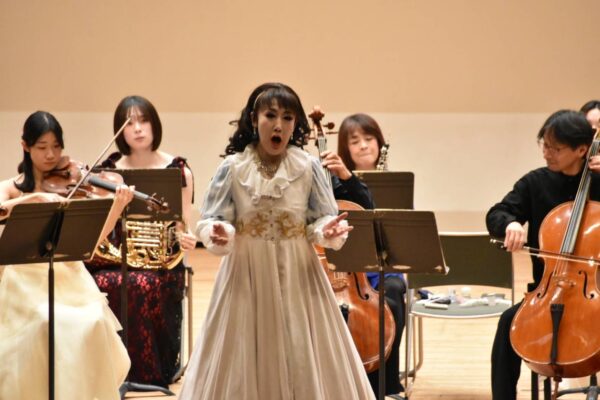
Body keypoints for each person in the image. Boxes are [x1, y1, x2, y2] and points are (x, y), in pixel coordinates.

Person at [179, 82, 375, 399]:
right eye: (271, 115)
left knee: (301, 351)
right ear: (254, 119)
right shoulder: (233, 168)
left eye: (287, 117)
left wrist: (327, 231)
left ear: (295, 124)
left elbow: (320, 218)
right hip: (246, 273)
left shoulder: (308, 166)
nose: (279, 125)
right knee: (244, 353)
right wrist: (219, 231)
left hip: (299, 273)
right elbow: (212, 218)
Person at [0, 110, 133, 399]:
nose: (51, 155)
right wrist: (33, 198)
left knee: (94, 321)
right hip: (23, 281)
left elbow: (90, 245)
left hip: (69, 277)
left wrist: (116, 208)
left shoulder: (73, 186)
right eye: (42, 147)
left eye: (56, 147)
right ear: (25, 146)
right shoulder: (9, 188)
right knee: (46, 323)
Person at [486, 109, 600, 400]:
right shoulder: (535, 183)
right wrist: (510, 223)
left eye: (555, 148)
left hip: (595, 293)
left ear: (581, 150)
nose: (547, 153)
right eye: (544, 145)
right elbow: (497, 213)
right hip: (546, 293)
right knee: (507, 322)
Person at [84, 95, 197, 387]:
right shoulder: (108, 171)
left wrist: (186, 237)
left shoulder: (178, 170)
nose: (137, 128)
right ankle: (111, 370)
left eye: (143, 121)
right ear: (119, 131)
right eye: (129, 123)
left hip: (159, 263)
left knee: (143, 284)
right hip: (116, 258)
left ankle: (148, 371)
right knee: (104, 282)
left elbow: (182, 224)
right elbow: (99, 226)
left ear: (154, 124)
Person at [321, 112, 405, 397]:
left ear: (380, 142)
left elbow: (376, 217)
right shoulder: (332, 181)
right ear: (345, 148)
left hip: (379, 266)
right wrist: (344, 177)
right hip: (343, 266)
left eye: (369, 138)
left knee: (393, 294)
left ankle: (387, 384)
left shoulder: (395, 183)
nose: (364, 145)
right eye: (355, 141)